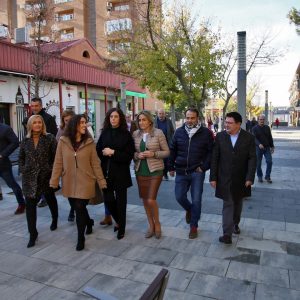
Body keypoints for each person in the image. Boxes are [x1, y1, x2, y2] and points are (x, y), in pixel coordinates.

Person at [50, 114, 107, 251]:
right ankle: (89, 222)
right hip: (68, 181)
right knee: (77, 207)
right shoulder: (63, 141)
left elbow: (95, 164)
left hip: (86, 180)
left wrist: (101, 181)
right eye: (81, 122)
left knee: (80, 207)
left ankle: (80, 238)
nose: (84, 125)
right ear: (74, 124)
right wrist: (54, 180)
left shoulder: (89, 142)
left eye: (85, 122)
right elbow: (58, 162)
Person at [210, 112, 256, 244]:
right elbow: (215, 158)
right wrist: (213, 177)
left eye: (230, 123)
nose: (226, 125)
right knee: (228, 203)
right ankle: (227, 234)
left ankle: (235, 223)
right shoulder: (220, 136)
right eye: (226, 122)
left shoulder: (249, 138)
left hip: (241, 178)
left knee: (238, 202)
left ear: (238, 124)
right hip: (224, 177)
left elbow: (252, 159)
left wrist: (250, 177)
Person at [169, 108, 213, 239]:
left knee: (197, 199)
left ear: (197, 118)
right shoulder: (179, 132)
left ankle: (194, 226)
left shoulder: (206, 133)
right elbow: (172, 150)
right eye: (187, 118)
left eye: (192, 118)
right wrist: (170, 166)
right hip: (181, 171)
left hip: (197, 172)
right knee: (179, 197)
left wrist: (204, 167)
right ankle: (189, 209)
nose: (189, 120)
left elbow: (211, 152)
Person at [19, 115, 58, 248]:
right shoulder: (25, 140)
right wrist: (23, 169)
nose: (37, 124)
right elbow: (21, 157)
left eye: (39, 122)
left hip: (45, 177)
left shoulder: (50, 138)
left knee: (50, 199)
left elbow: (56, 157)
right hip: (29, 179)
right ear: (30, 125)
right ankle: (32, 234)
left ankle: (54, 219)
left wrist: (51, 170)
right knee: (30, 207)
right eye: (34, 122)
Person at [96, 108, 135, 240]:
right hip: (105, 172)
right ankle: (118, 221)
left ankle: (121, 228)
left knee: (121, 202)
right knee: (108, 199)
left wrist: (113, 152)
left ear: (120, 118)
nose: (113, 119)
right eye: (111, 116)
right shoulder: (105, 133)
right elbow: (98, 150)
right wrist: (103, 152)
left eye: (116, 116)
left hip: (120, 173)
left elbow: (128, 156)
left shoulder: (126, 134)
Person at [133, 110, 169, 239]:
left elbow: (166, 152)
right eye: (139, 120)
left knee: (150, 199)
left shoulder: (158, 133)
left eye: (144, 120)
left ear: (149, 121)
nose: (141, 122)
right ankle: (151, 225)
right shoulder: (135, 134)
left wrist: (153, 154)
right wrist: (137, 155)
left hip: (155, 170)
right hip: (140, 170)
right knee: (144, 199)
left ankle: (157, 224)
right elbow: (132, 153)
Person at [23, 97, 58, 208]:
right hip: (33, 164)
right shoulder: (29, 119)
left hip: (46, 161)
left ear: (41, 106)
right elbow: (27, 139)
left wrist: (52, 166)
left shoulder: (48, 119)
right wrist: (23, 168)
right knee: (33, 194)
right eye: (32, 106)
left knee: (49, 193)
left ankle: (52, 213)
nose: (34, 108)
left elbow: (53, 138)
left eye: (36, 105)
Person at [0, 122, 26, 214]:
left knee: (12, 185)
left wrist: (2, 154)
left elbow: (15, 142)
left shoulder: (5, 129)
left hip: (3, 165)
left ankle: (22, 203)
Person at [56, 110, 76, 222]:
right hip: (65, 166)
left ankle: (76, 209)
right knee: (68, 190)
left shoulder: (80, 129)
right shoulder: (61, 131)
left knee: (77, 189)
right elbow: (57, 147)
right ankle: (73, 209)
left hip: (78, 165)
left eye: (70, 120)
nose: (68, 123)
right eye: (66, 120)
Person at [252, 114, 275, 183]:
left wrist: (272, 146)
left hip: (267, 147)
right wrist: (259, 144)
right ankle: (260, 176)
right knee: (258, 164)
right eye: (260, 119)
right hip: (258, 148)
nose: (262, 121)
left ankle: (267, 176)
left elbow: (270, 137)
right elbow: (254, 138)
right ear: (258, 120)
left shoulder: (267, 127)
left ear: (264, 120)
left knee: (269, 161)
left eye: (263, 119)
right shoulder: (254, 128)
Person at [154, 109, 174, 180]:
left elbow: (172, 131)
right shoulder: (154, 121)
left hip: (167, 142)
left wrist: (172, 141)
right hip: (157, 142)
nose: (161, 115)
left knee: (166, 158)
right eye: (160, 113)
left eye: (162, 114)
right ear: (157, 114)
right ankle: (160, 173)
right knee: (159, 158)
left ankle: (165, 173)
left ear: (165, 114)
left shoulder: (168, 121)